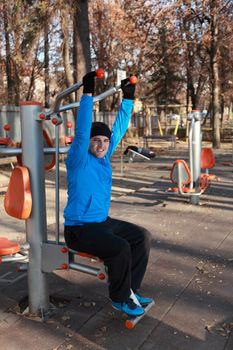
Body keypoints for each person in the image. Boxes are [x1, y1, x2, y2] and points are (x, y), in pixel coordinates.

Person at [64, 71, 152, 317]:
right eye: (96, 141)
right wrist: (88, 94)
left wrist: (129, 97)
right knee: (121, 247)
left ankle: (130, 291)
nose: (101, 145)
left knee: (141, 237)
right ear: (88, 144)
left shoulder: (104, 157)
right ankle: (119, 298)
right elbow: (82, 132)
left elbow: (120, 128)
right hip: (79, 229)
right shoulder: (79, 159)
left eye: (104, 140)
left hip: (101, 223)